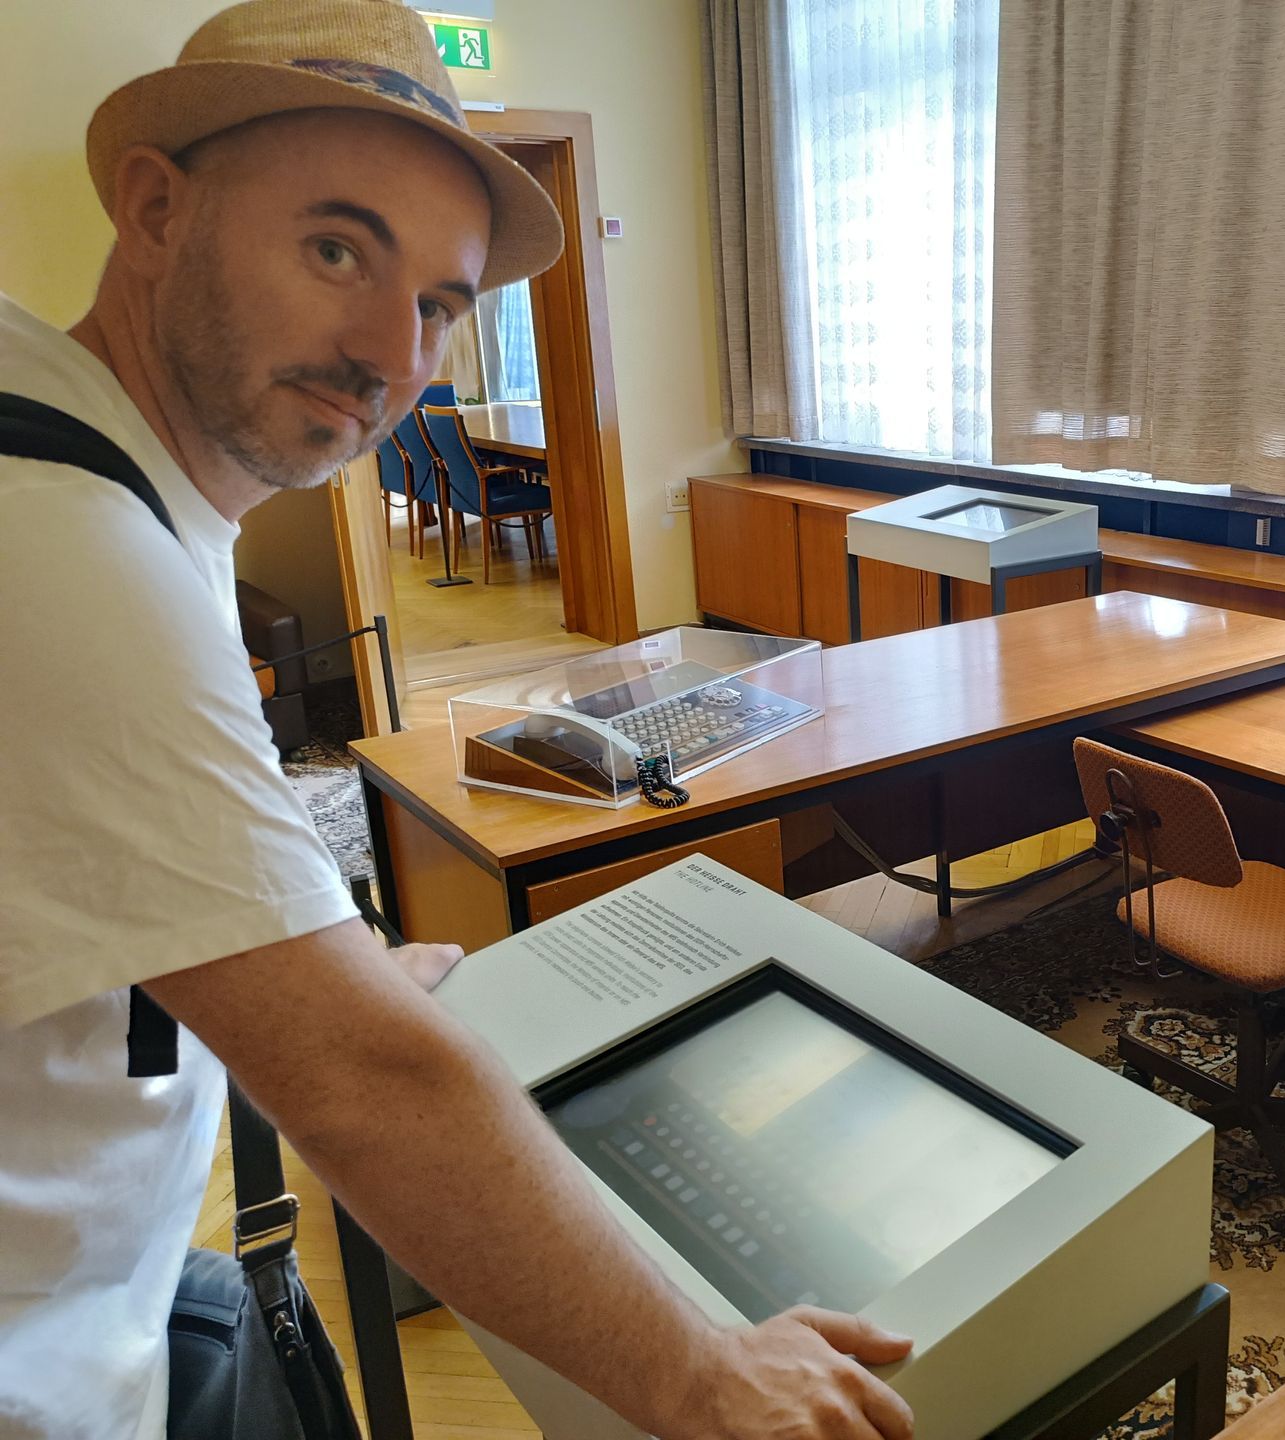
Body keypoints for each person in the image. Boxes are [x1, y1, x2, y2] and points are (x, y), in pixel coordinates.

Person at [0, 3, 914, 1437]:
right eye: (336, 249)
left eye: (438, 301)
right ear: (157, 208)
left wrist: (311, 968)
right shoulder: (67, 548)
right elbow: (367, 1089)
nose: (389, 350)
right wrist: (698, 1375)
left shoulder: (75, 458)